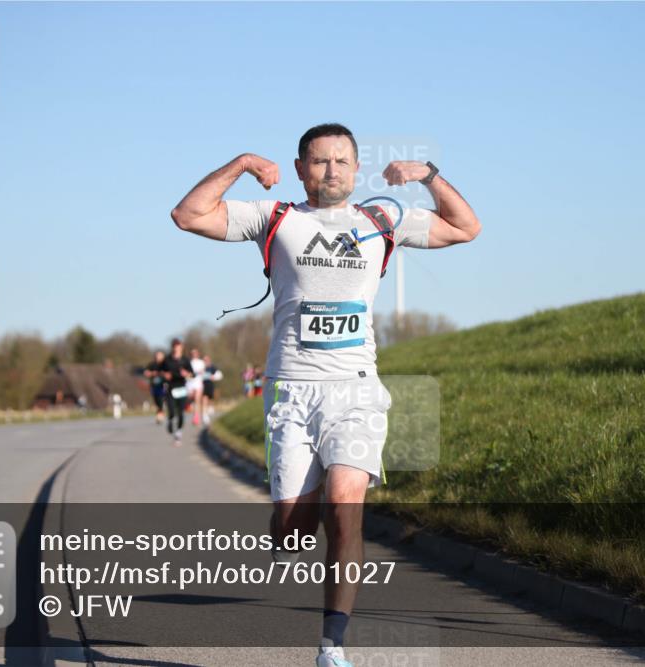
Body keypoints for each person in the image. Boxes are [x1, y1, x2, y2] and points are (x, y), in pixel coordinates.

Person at [170, 123, 480, 667]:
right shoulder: (276, 219)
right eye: (319, 161)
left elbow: (466, 227)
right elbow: (188, 214)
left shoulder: (381, 221)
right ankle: (293, 522)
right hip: (290, 392)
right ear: (299, 169)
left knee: (346, 503)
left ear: (356, 170)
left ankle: (332, 646)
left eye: (341, 161)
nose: (331, 170)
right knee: (292, 535)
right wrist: (243, 162)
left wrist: (428, 176)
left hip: (355, 390)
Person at [162, 338, 194, 445]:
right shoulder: (167, 360)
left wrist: (187, 374)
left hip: (182, 388)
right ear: (172, 348)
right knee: (171, 411)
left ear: (181, 347)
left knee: (180, 413)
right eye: (175, 347)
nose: (176, 349)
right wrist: (164, 375)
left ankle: (178, 433)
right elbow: (160, 371)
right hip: (171, 388)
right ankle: (170, 421)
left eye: (178, 347)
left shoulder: (185, 360)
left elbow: (192, 374)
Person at [144, 350, 167, 424]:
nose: (158, 357)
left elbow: (168, 373)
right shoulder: (151, 364)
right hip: (154, 386)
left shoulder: (165, 364)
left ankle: (159, 415)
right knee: (156, 401)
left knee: (160, 400)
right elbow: (146, 373)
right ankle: (160, 413)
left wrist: (161, 374)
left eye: (160, 356)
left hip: (162, 386)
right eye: (157, 356)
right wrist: (152, 373)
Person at [187, 348, 206, 426]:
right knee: (190, 399)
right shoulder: (188, 362)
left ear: (198, 354)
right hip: (190, 383)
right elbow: (186, 373)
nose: (194, 354)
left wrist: (196, 373)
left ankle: (196, 417)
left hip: (198, 383)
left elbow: (202, 371)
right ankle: (189, 408)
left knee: (197, 399)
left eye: (195, 353)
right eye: (192, 353)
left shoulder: (201, 362)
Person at [202, 355, 222, 425]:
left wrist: (214, 377)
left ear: (209, 360)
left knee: (210, 398)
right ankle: (204, 414)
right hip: (203, 385)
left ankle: (210, 408)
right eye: (204, 360)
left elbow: (219, 375)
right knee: (204, 398)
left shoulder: (212, 367)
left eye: (207, 360)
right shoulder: (201, 367)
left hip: (210, 385)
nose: (205, 362)